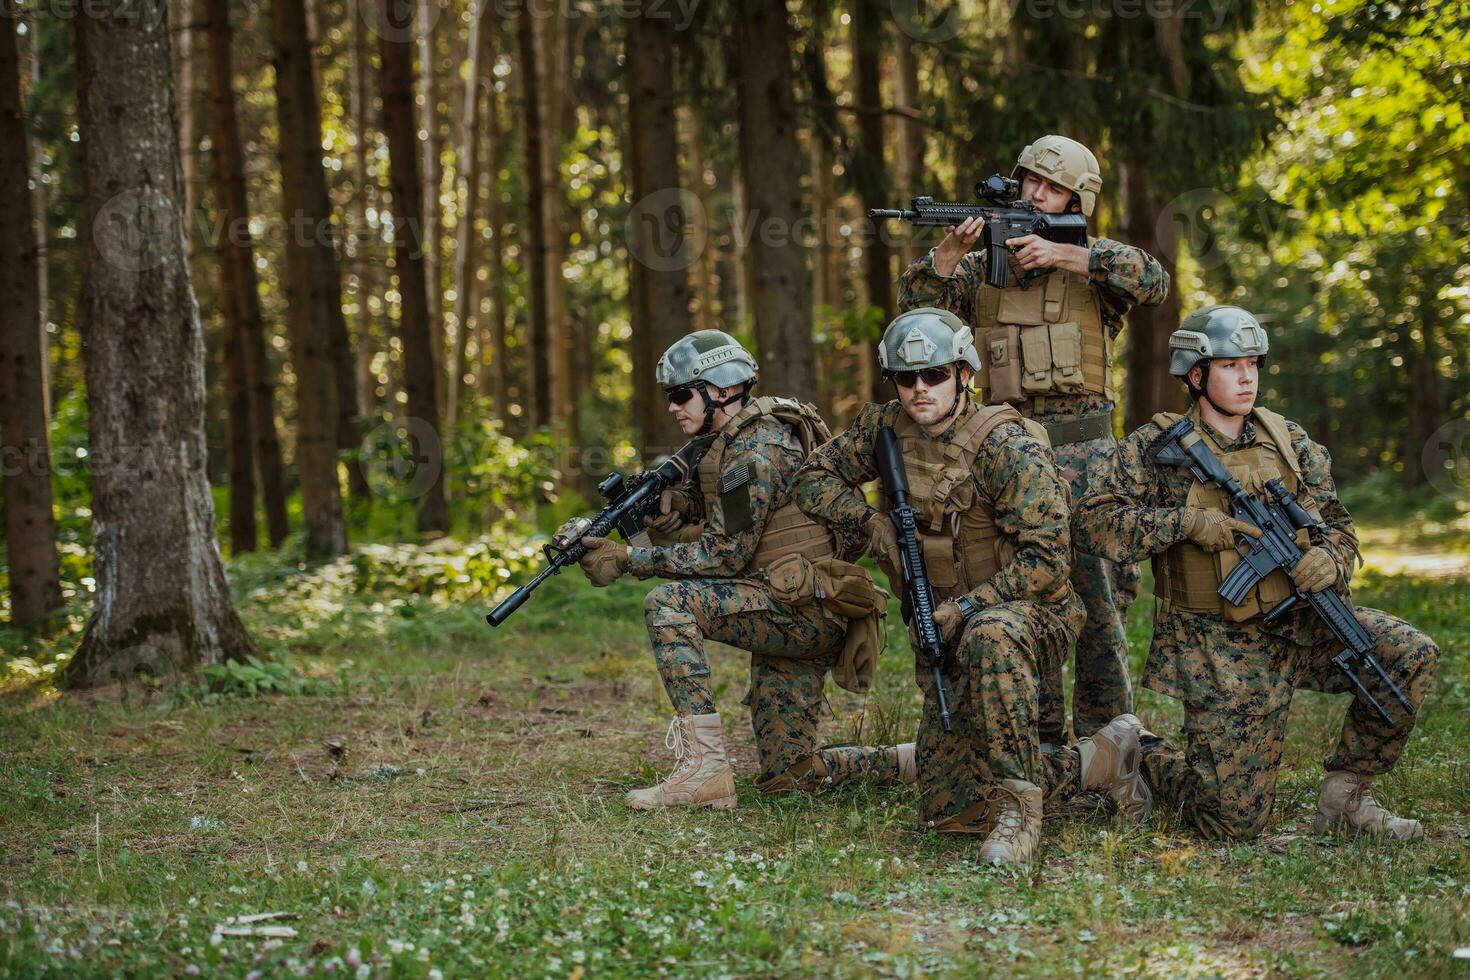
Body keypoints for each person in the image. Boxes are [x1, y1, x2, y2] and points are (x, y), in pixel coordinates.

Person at [792, 308, 1152, 865]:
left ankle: (1019, 811)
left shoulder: (1008, 446)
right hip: (945, 623)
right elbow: (812, 478)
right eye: (905, 378)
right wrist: (871, 523)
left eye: (933, 375)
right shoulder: (885, 430)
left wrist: (968, 605)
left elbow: (1047, 563)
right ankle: (1103, 758)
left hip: (1032, 614)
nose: (918, 390)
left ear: (964, 373)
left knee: (992, 633)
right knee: (949, 809)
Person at [1072, 305, 1440, 840]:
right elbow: (1092, 523)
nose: (1246, 377)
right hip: (1219, 642)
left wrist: (1329, 558)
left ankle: (1347, 798)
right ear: (1195, 375)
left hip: (1301, 621)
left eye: (1252, 364)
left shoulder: (1287, 440)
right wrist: (1186, 523)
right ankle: (1135, 750)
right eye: (1229, 366)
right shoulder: (1155, 449)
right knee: (1231, 825)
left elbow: (1338, 523)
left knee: (1407, 654)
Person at [897, 135, 1170, 745]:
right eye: (1031, 183)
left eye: (1053, 189)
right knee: (1019, 588)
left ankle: (1109, 743)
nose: (1037, 195)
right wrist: (945, 255)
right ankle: (1037, 740)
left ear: (1079, 199)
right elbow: (915, 319)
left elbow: (1154, 281)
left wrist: (1069, 256)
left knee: (1098, 602)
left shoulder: (1096, 266)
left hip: (1088, 458)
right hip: (1006, 457)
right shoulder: (979, 269)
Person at [570, 330, 912, 810]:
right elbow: (737, 522)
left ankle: (705, 769)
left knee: (668, 605)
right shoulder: (730, 443)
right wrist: (677, 508)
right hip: (788, 603)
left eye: (681, 395)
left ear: (723, 390)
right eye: (670, 397)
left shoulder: (757, 448)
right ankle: (916, 761)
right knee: (788, 775)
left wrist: (631, 559)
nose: (672, 407)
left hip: (804, 610)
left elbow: (722, 556)